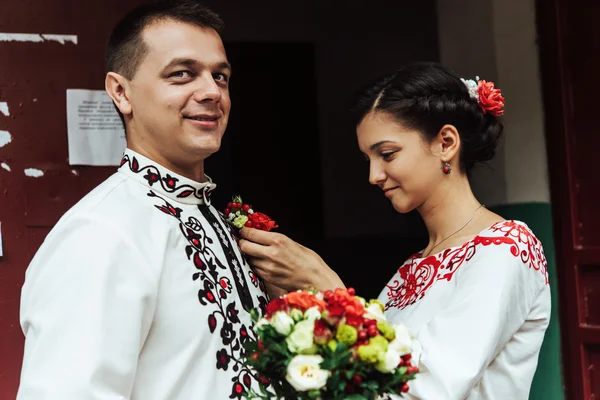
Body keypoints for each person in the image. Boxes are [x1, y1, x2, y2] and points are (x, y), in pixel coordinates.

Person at [239, 62, 551, 399]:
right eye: (368, 159)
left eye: (387, 154)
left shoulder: (505, 249)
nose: (374, 175)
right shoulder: (415, 265)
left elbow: (428, 387)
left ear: (446, 142)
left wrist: (331, 290)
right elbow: (369, 377)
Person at [17, 1, 269, 399]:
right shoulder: (102, 233)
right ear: (121, 92)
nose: (210, 92)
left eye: (220, 77)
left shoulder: (214, 219)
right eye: (182, 74)